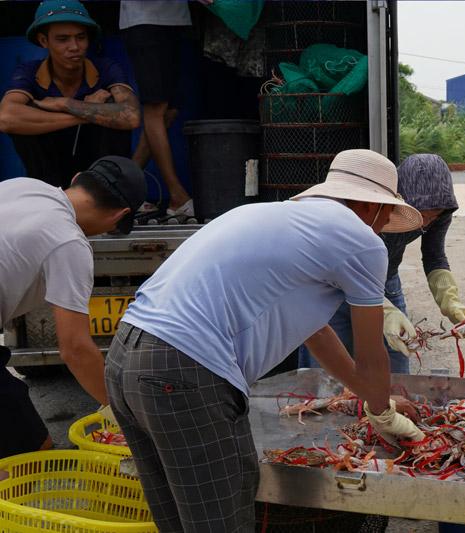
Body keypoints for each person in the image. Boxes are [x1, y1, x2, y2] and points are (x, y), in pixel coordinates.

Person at [105, 149, 426, 532]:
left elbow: (317, 333)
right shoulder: (360, 239)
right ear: (366, 204)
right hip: (184, 371)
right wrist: (383, 412)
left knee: (177, 521)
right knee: (221, 521)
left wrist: (374, 399)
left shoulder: (271, 216)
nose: (386, 222)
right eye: (386, 211)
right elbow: (372, 353)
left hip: (124, 358)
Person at [0, 156, 146, 459]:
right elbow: (75, 349)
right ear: (119, 215)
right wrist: (122, 415)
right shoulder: (69, 241)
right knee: (30, 451)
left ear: (78, 177)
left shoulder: (25, 186)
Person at [298, 153, 465, 374]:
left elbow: (434, 255)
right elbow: (349, 269)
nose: (425, 223)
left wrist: (450, 302)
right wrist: (386, 313)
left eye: (433, 216)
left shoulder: (440, 213)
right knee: (330, 368)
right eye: (421, 214)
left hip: (385, 282)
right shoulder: (368, 213)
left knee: (396, 361)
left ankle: (392, 404)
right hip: (333, 283)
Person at [0, 0, 140, 190]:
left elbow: (131, 116)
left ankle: (109, 197)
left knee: (111, 102)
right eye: (63, 39)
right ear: (43, 41)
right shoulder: (29, 71)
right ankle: (49, 198)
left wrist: (65, 103)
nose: (74, 46)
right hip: (49, 171)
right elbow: (6, 118)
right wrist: (85, 114)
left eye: (81, 37)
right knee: (27, 111)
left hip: (99, 170)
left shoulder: (106, 67)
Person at [119, 0, 199, 218]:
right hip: (144, 21)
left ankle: (122, 191)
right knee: (156, 108)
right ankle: (177, 196)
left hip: (175, 21)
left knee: (170, 110)